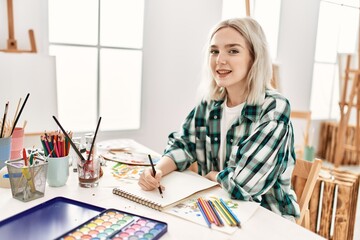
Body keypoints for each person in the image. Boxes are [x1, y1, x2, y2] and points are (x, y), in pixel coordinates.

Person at [138, 17, 300, 220]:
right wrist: (157, 171)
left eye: (233, 50)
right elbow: (183, 145)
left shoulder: (274, 108)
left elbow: (244, 186)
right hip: (214, 209)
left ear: (254, 57)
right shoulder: (209, 103)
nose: (220, 60)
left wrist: (213, 175)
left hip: (266, 218)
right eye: (214, 51)